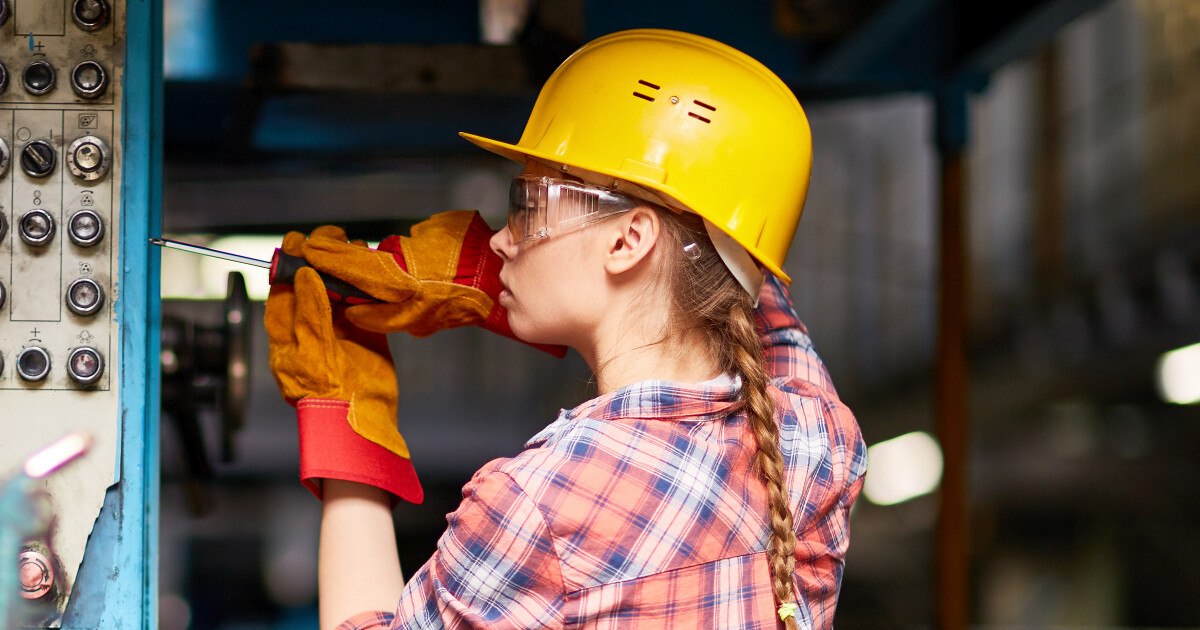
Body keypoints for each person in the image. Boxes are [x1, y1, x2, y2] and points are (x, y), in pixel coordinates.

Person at [265, 28, 867, 629]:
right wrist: (508, 277)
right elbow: (751, 295)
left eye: (527, 204)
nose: (501, 238)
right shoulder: (815, 440)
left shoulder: (537, 503)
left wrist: (345, 418)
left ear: (628, 239)